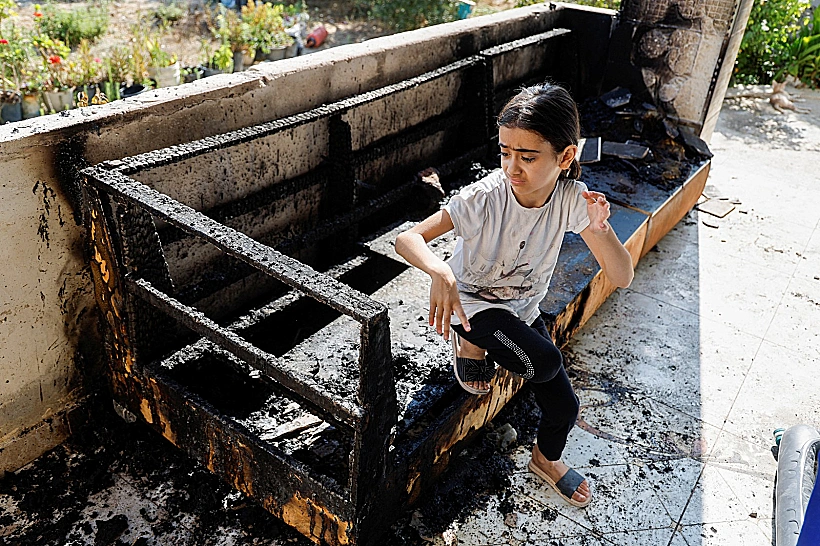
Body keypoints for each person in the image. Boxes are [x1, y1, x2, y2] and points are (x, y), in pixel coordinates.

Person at [394, 82, 634, 508]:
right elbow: (408, 238)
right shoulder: (486, 197)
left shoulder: (572, 199)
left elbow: (622, 274)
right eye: (505, 152)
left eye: (527, 156)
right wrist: (439, 270)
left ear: (565, 157)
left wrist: (599, 228)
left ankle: (545, 459)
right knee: (544, 360)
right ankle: (468, 338)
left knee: (564, 406)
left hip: (521, 307)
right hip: (471, 302)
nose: (512, 168)